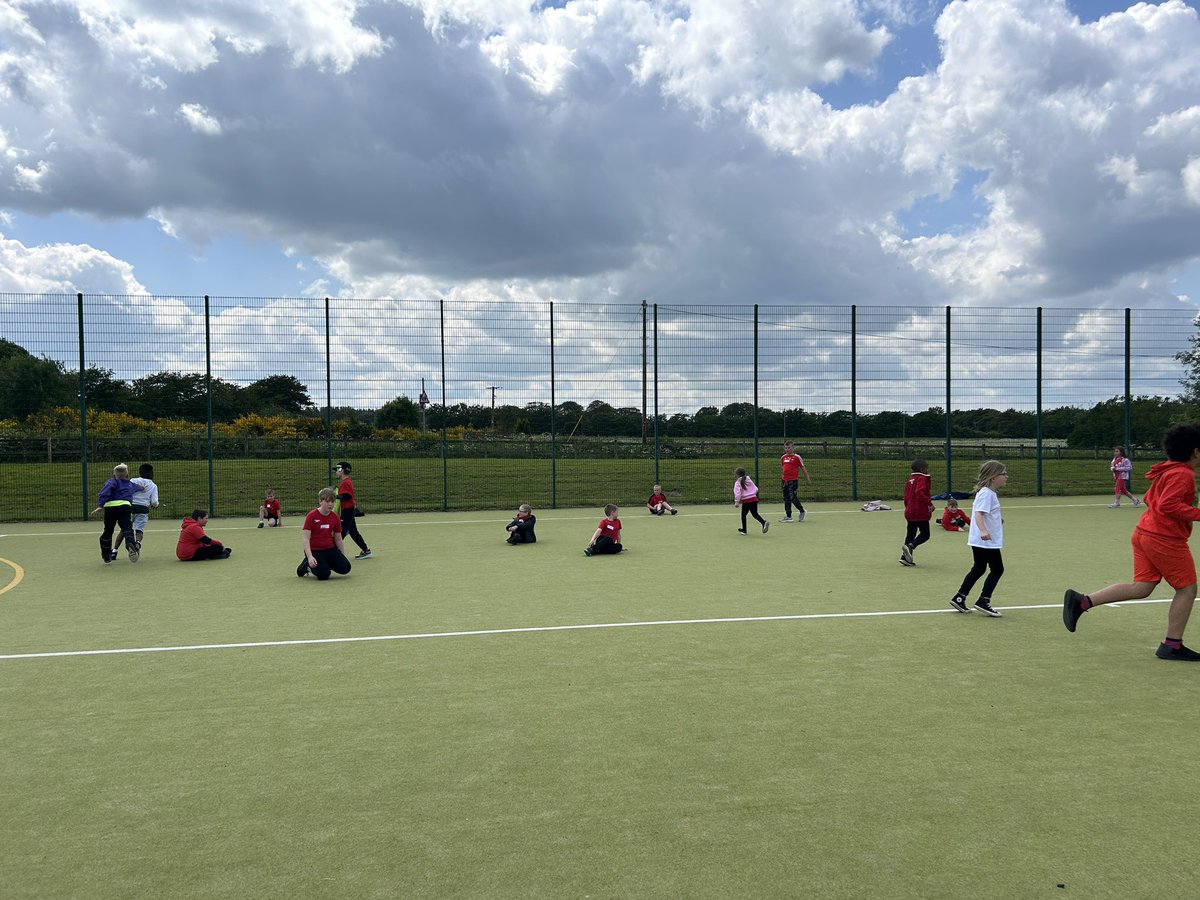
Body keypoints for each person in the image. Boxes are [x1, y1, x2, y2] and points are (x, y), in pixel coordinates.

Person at [1063, 423, 1200, 661]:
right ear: (1196, 452)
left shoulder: (1168, 470)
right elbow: (1168, 504)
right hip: (1164, 539)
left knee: (1142, 587)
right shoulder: (1183, 474)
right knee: (1187, 589)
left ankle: (1082, 602)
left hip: (1144, 533)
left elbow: (1150, 499)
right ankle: (1172, 645)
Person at [948, 460, 1008, 617]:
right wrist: (983, 530)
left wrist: (996, 520)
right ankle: (983, 600)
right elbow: (978, 514)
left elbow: (985, 513)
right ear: (993, 477)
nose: (1006, 476)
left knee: (979, 568)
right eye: (1003, 474)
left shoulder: (988, 493)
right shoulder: (987, 494)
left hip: (982, 540)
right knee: (997, 569)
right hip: (985, 541)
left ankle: (960, 597)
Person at [297, 487, 352, 580]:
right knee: (324, 575)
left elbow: (338, 538)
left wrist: (342, 555)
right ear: (320, 501)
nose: (330, 504)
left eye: (332, 501)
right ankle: (307, 565)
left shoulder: (335, 517)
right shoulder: (312, 516)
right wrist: (310, 556)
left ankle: (322, 564)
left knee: (346, 568)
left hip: (329, 549)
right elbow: (306, 539)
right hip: (315, 550)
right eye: (327, 501)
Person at [92, 463, 139, 564]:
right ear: (127, 475)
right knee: (127, 527)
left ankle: (106, 555)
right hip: (125, 507)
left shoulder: (111, 482)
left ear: (114, 475)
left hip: (110, 508)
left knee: (108, 531)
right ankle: (130, 543)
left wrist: (100, 505)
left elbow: (104, 493)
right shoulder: (130, 484)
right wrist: (143, 486)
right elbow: (140, 487)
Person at [113, 463, 158, 560]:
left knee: (124, 530)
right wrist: (155, 505)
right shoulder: (153, 485)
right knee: (139, 531)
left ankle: (114, 551)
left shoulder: (133, 480)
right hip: (142, 509)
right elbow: (154, 502)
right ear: (151, 474)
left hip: (129, 507)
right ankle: (137, 544)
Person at [334, 461, 372, 560]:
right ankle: (366, 550)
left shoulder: (345, 482)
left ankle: (332, 552)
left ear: (341, 470)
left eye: (337, 470)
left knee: (341, 532)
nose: (336, 472)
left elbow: (347, 496)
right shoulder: (346, 481)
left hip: (347, 511)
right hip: (349, 510)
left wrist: (335, 496)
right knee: (353, 532)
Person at [900, 458, 933, 566]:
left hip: (909, 511)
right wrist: (929, 503)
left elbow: (906, 496)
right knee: (925, 534)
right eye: (927, 468)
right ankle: (911, 546)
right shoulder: (922, 479)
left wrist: (907, 507)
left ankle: (905, 557)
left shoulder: (910, 480)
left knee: (910, 534)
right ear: (922, 469)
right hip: (920, 511)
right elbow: (919, 492)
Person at [779, 441, 812, 523]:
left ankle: (802, 510)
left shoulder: (797, 457)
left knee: (792, 497)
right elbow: (783, 468)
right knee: (786, 498)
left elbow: (803, 468)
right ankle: (788, 516)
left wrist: (807, 479)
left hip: (793, 481)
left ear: (793, 448)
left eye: (789, 448)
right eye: (786, 448)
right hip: (784, 481)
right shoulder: (783, 457)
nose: (787, 449)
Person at [733, 467, 769, 535]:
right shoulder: (749, 480)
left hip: (746, 501)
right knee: (755, 514)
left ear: (737, 475)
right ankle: (763, 522)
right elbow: (756, 488)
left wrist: (736, 502)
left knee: (743, 515)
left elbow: (737, 493)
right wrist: (752, 494)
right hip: (754, 499)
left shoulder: (738, 482)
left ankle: (744, 530)